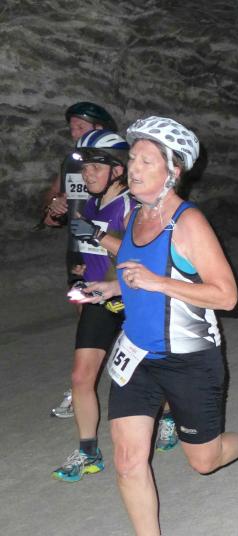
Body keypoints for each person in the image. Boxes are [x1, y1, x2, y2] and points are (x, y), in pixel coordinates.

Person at [83, 116, 238, 535]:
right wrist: (113, 286)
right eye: (133, 159)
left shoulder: (188, 224)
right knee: (127, 461)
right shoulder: (135, 215)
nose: (134, 169)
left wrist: (156, 282)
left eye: (146, 161)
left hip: (189, 359)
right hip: (137, 356)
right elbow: (140, 272)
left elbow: (227, 296)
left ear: (172, 172)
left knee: (204, 461)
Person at [51, 130, 132, 482]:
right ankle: (88, 452)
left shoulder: (131, 205)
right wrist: (84, 270)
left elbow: (140, 253)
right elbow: (91, 250)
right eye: (85, 169)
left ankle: (171, 416)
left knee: (148, 373)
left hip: (134, 298)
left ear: (118, 170)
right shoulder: (90, 203)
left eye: (95, 168)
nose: (88, 175)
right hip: (99, 298)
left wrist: (97, 235)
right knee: (81, 376)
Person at [47, 102, 117, 419]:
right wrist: (55, 204)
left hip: (111, 252)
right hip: (79, 254)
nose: (74, 133)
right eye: (72, 127)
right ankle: (81, 384)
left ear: (99, 129)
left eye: (81, 127)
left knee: (128, 319)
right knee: (84, 316)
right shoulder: (71, 162)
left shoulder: (117, 162)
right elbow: (53, 202)